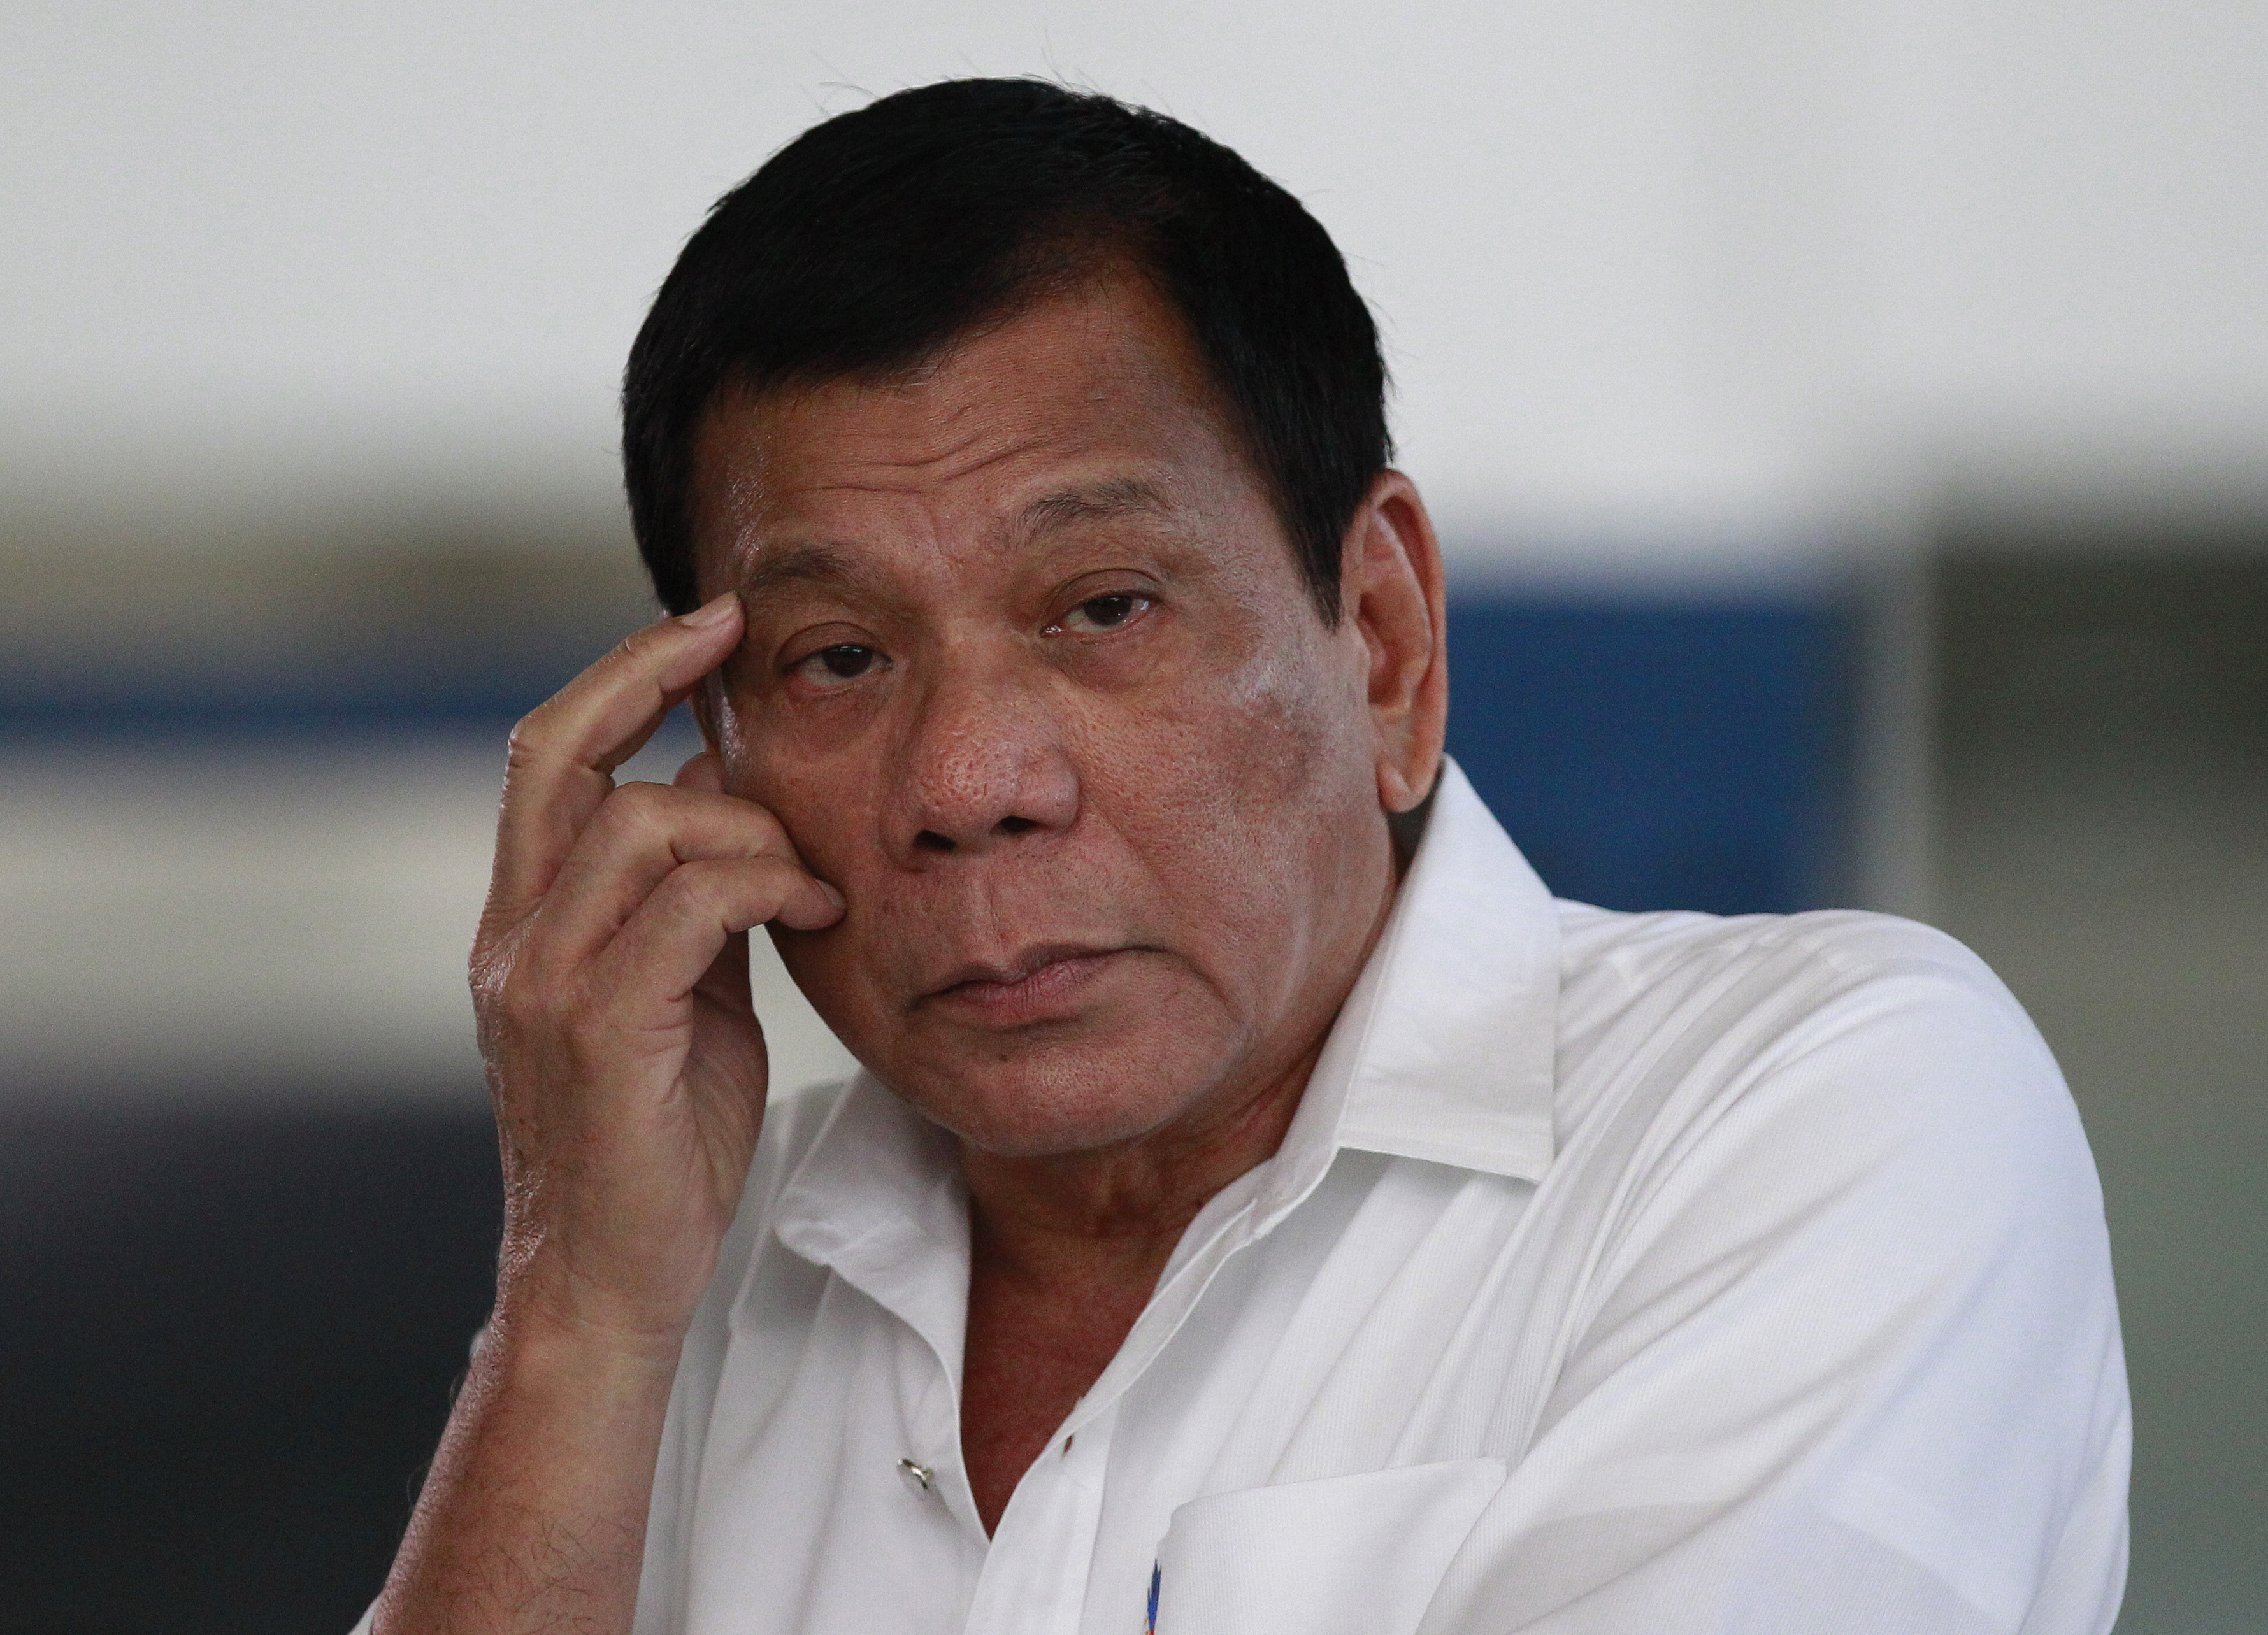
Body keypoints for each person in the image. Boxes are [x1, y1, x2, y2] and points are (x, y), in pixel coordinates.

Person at [361, 78, 2127, 1635]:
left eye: (1103, 607)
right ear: (711, 752)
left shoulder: (1801, 1112)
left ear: (1380, 634)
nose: (968, 779)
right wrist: (575, 1318)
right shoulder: (682, 1281)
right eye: (838, 659)